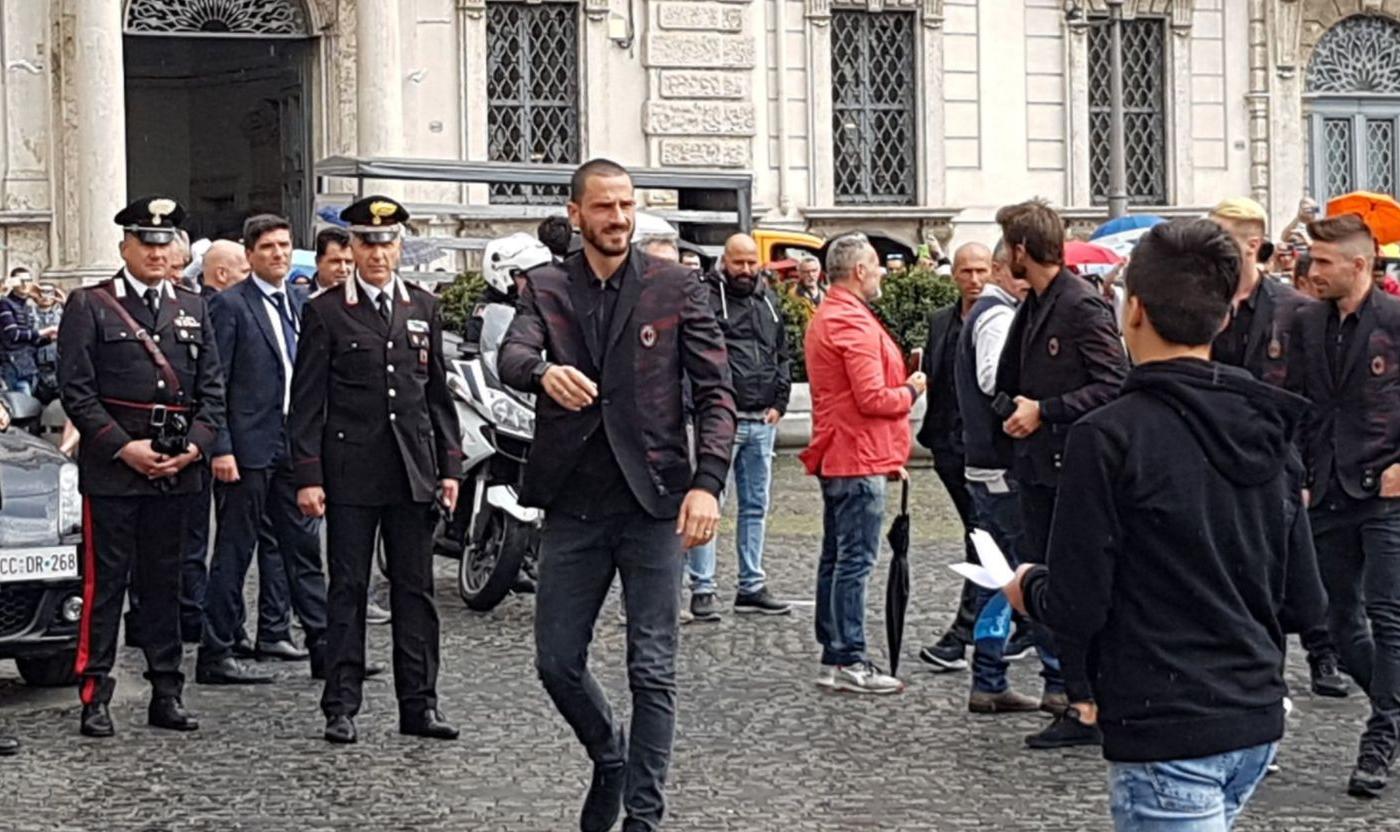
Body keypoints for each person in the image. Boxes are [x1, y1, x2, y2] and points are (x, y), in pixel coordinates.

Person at [1003, 218, 1325, 832]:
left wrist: (1027, 589)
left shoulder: (1109, 436)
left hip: (1166, 720)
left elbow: (1078, 601)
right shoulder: (1264, 423)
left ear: (1133, 311)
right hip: (1255, 712)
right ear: (1225, 317)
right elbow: (1304, 598)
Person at [499, 159, 735, 832]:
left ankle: (643, 818)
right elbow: (512, 355)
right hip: (573, 504)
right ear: (576, 215)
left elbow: (717, 396)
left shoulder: (677, 285)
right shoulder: (544, 286)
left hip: (655, 502)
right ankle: (610, 753)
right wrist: (544, 373)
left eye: (627, 205)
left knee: (652, 669)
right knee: (556, 662)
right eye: (603, 207)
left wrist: (707, 484)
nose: (618, 218)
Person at [291, 195, 463, 745]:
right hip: (350, 472)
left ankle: (420, 703)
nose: (378, 254)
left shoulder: (423, 307)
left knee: (416, 591)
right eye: (367, 243)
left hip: (412, 470)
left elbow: (437, 395)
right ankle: (341, 705)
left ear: (400, 246)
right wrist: (309, 475)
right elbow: (307, 402)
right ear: (352, 248)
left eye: (387, 243)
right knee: (349, 589)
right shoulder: (325, 311)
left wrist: (450, 467)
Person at [58, 196, 226, 737]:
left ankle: (167, 690)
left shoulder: (193, 308)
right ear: (124, 245)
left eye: (165, 243)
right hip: (115, 468)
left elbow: (214, 393)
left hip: (177, 469)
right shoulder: (91, 305)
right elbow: (77, 393)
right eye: (146, 242)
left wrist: (195, 447)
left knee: (166, 583)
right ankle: (95, 693)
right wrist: (121, 448)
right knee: (106, 584)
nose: (157, 253)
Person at [994, 198, 1128, 749]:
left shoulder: (1079, 305)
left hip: (1073, 470)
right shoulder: (1034, 303)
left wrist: (1045, 411)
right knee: (1049, 581)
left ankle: (1090, 703)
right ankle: (1081, 698)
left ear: (1023, 250)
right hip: (1038, 470)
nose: (1005, 255)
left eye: (1007, 246)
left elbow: (1115, 381)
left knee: (1073, 588)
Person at [1208, 197, 1349, 698]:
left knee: (1298, 570)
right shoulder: (1207, 306)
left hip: (1283, 464)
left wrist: (1310, 473)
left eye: (1221, 239)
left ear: (1251, 245)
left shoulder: (1296, 311)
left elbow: (1319, 401)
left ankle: (1320, 653)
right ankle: (1258, 681)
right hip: (1220, 463)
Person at [1285, 213, 1400, 797]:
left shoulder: (1396, 321)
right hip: (1326, 490)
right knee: (1337, 618)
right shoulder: (1307, 322)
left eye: (1325, 261)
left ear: (1361, 264)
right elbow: (1299, 403)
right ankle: (1395, 701)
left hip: (1387, 489)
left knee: (1388, 614)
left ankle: (1379, 738)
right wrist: (1299, 472)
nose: (1312, 269)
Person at [197, 214, 332, 685]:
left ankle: (323, 646)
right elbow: (215, 381)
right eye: (268, 247)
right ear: (249, 254)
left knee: (304, 550)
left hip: (291, 445)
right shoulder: (231, 306)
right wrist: (222, 447)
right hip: (246, 448)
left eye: (284, 245)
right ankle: (216, 651)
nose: (277, 254)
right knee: (234, 552)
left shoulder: (298, 302)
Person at [802, 233, 924, 695]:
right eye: (875, 267)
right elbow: (873, 398)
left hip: (845, 451)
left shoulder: (831, 315)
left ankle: (835, 653)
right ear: (859, 271)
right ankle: (849, 655)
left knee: (836, 557)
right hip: (857, 455)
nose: (880, 275)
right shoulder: (850, 321)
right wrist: (912, 390)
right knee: (854, 560)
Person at [953, 239, 1043, 714]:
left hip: (986, 463)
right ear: (1007, 270)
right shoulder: (998, 316)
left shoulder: (988, 312)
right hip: (1000, 467)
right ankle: (1055, 679)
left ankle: (989, 675)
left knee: (999, 573)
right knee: (1027, 570)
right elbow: (992, 379)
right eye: (1025, 273)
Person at [686, 233, 792, 621]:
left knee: (755, 507)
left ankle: (751, 584)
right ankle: (703, 587)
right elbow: (695, 359)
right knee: (708, 503)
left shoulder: (769, 300)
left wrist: (780, 401)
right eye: (738, 263)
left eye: (751, 263)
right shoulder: (706, 300)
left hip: (762, 417)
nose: (746, 270)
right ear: (724, 262)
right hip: (721, 420)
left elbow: (781, 352)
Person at [917, 242, 986, 672]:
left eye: (981, 271)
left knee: (982, 538)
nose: (974, 280)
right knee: (981, 535)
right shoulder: (941, 321)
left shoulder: (1001, 320)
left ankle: (963, 634)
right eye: (966, 272)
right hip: (948, 447)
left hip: (986, 452)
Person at [0, 267, 54, 395]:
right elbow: (13, 335)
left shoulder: (26, 306)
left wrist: (49, 338)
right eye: (20, 281)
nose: (25, 284)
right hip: (13, 367)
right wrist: (46, 331)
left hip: (30, 367)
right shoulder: (4, 304)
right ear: (13, 283)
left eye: (28, 280)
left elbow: (29, 341)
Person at [31, 282, 64, 405]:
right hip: (36, 364)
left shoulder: (61, 313)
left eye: (49, 292)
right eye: (42, 292)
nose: (45, 296)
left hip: (57, 363)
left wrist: (64, 302)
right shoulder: (29, 313)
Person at [313, 227, 354, 294]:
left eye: (348, 262)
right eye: (335, 262)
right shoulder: (297, 299)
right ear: (318, 262)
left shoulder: (366, 299)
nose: (343, 269)